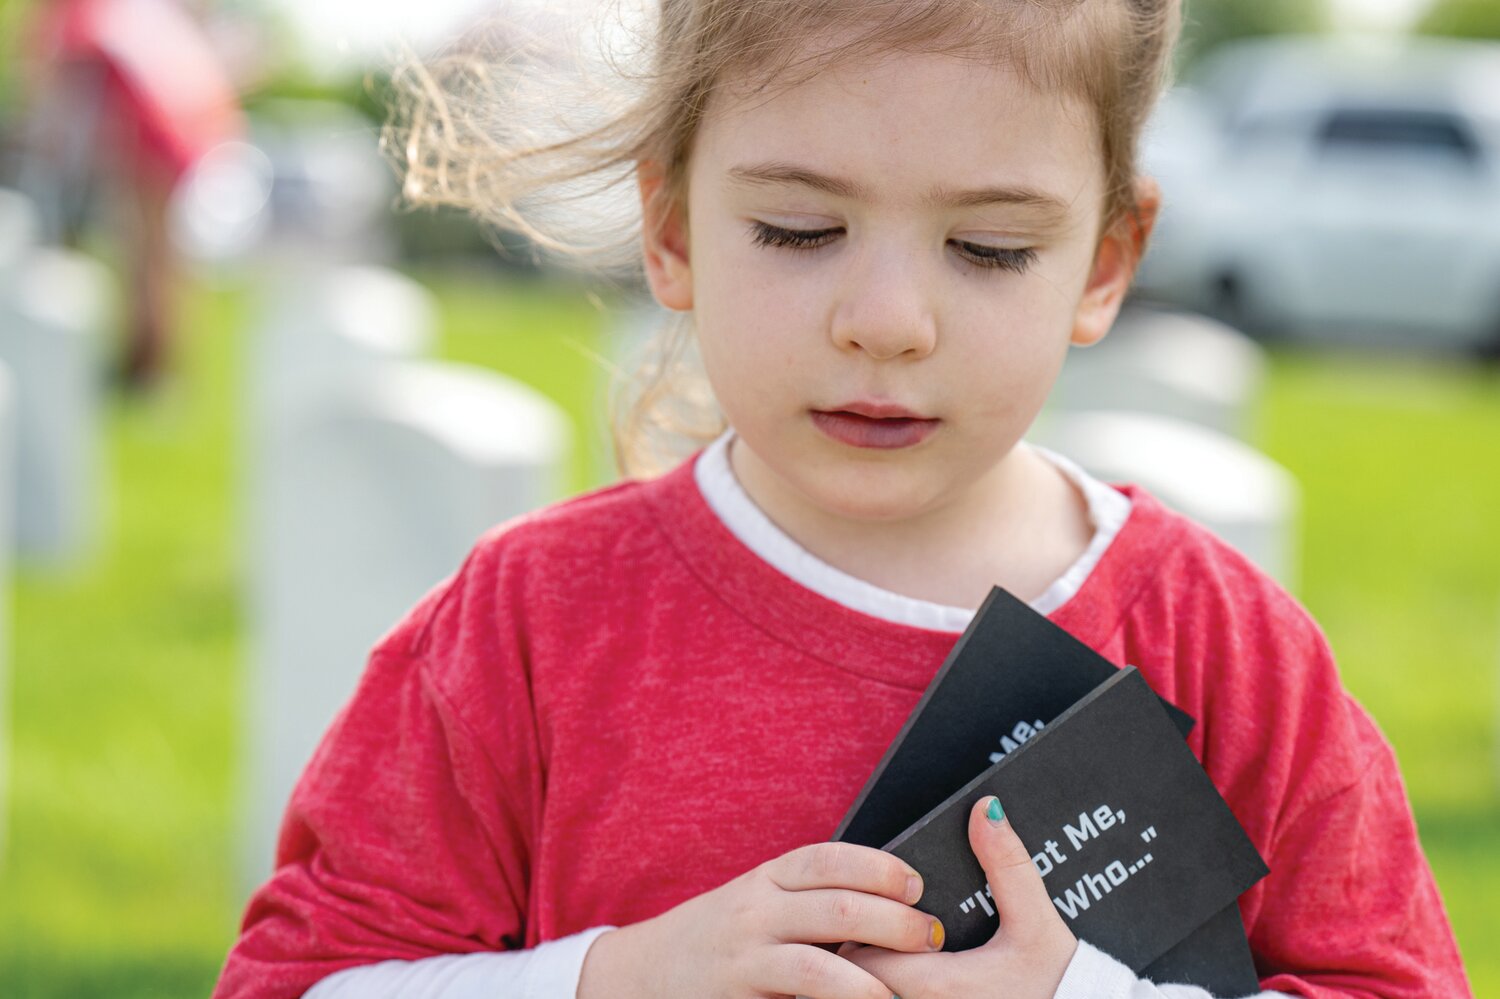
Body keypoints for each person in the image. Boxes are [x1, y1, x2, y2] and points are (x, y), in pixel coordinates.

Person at [213, 1, 1471, 997]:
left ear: (1104, 264)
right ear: (672, 230)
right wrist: (616, 977)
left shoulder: (1228, 648)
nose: (885, 322)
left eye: (988, 249)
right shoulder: (530, 625)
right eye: (801, 228)